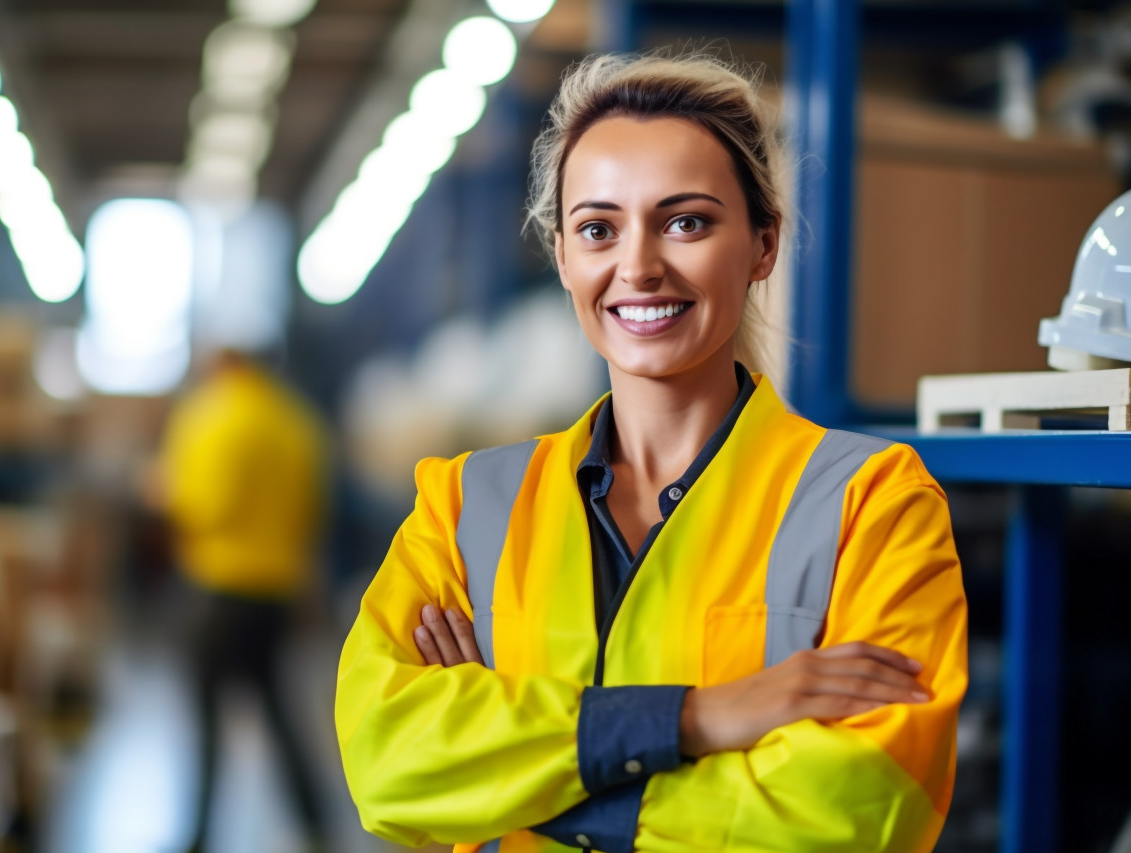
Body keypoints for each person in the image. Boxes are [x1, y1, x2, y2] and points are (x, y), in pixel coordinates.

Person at [335, 51, 967, 853]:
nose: (637, 266)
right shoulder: (463, 508)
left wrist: (517, 785)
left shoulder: (871, 506)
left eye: (686, 221)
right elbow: (386, 762)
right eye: (599, 228)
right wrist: (697, 718)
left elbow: (864, 806)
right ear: (563, 255)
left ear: (763, 245)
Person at [158, 348, 330, 853]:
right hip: (275, 592)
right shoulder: (296, 422)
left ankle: (199, 836)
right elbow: (313, 509)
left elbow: (201, 505)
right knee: (280, 714)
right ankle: (316, 826)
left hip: (217, 587)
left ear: (221, 366)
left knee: (206, 718)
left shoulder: (206, 416)